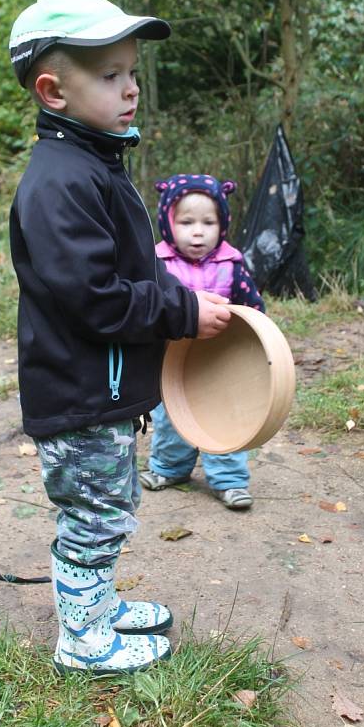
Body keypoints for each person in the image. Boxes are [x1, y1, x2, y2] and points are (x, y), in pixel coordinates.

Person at [8, 0, 231, 676]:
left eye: (131, 71)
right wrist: (183, 314)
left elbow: (128, 269)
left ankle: (95, 609)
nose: (130, 87)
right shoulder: (59, 183)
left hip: (100, 390)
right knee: (95, 518)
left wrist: (181, 303)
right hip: (78, 394)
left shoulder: (93, 165)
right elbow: (94, 300)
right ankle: (82, 640)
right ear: (53, 91)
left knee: (111, 505)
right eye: (109, 75)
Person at [139, 174, 265, 510]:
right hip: (172, 364)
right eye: (187, 222)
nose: (198, 231)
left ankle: (230, 481)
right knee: (171, 419)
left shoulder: (231, 266)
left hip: (219, 362)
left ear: (222, 224)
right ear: (168, 222)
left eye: (208, 222)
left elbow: (254, 309)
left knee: (224, 419)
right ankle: (169, 468)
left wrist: (256, 345)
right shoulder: (157, 265)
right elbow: (148, 309)